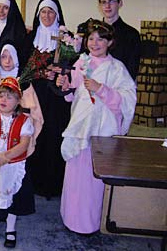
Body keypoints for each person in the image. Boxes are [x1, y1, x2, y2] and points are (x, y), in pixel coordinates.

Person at [56, 20, 136, 234]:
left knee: (93, 179)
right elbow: (75, 95)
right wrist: (66, 87)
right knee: (75, 176)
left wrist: (102, 89)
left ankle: (90, 223)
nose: (95, 43)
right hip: (80, 128)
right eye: (91, 39)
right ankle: (70, 217)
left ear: (110, 42)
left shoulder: (116, 68)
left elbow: (127, 100)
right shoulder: (82, 63)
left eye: (101, 39)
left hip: (101, 131)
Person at [21, 0, 71, 199]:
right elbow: (22, 71)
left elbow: (74, 68)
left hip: (57, 100)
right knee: (34, 135)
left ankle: (53, 184)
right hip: (35, 97)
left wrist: (61, 72)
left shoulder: (67, 38)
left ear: (57, 15)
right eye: (43, 12)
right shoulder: (29, 39)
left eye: (51, 12)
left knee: (54, 136)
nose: (47, 16)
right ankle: (34, 183)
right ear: (38, 15)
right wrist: (42, 73)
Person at [0, 77, 35, 248]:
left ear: (18, 101)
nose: (4, 100)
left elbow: (23, 144)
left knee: (13, 197)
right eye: (1, 95)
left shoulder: (25, 120)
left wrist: (5, 158)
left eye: (10, 97)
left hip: (13, 165)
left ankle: (10, 229)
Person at [98, 0, 140, 80]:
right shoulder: (92, 33)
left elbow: (132, 68)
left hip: (119, 87)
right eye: (104, 2)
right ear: (100, 5)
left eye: (111, 1)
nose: (107, 6)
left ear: (120, 3)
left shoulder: (131, 34)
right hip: (93, 87)